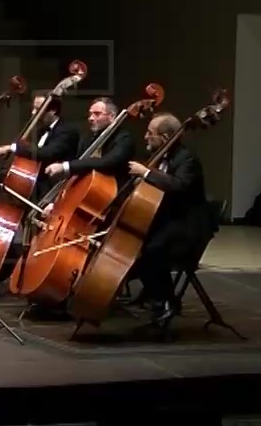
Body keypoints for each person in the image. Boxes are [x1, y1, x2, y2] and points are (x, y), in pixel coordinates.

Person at [125, 111, 214, 324]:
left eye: (150, 133)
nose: (145, 136)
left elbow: (178, 185)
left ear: (164, 138)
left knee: (152, 252)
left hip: (188, 226)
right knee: (139, 248)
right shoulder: (162, 155)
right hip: (170, 220)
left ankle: (166, 302)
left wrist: (145, 174)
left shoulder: (187, 159)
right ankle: (157, 295)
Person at [43, 97, 138, 185]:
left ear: (112, 116)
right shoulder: (89, 137)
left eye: (97, 114)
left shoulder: (124, 139)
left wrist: (66, 167)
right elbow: (81, 161)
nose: (91, 118)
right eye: (90, 114)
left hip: (111, 194)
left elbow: (106, 162)